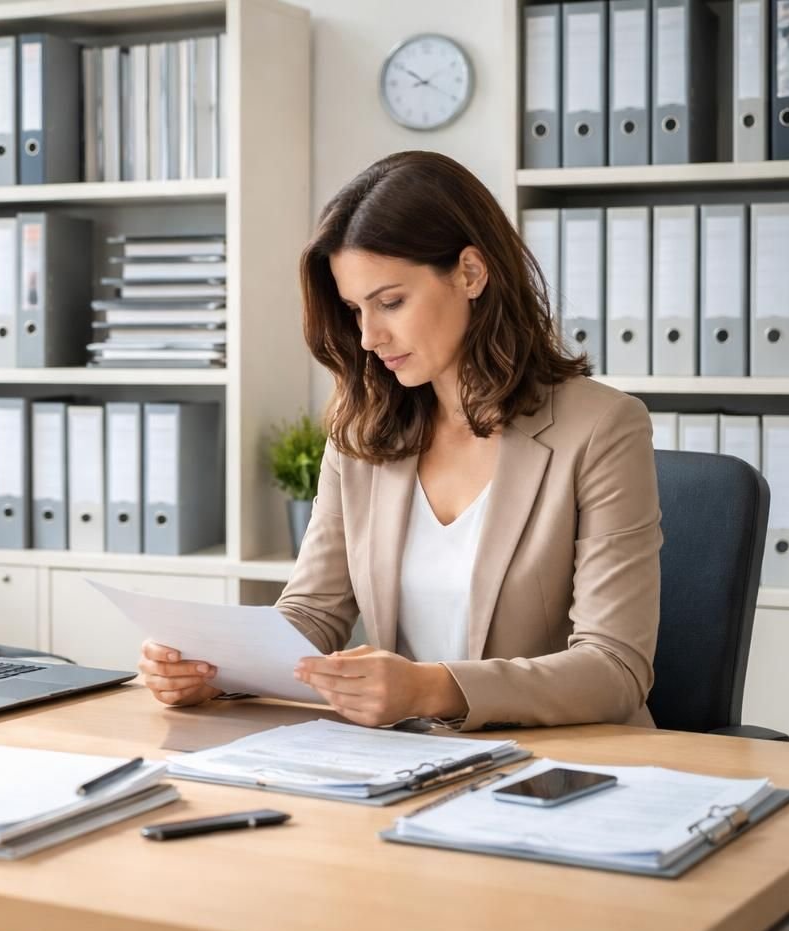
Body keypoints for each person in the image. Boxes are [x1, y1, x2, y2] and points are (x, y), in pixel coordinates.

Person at [136, 150, 662, 730]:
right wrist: (216, 671)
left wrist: (432, 688)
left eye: (390, 302)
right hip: (405, 762)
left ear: (470, 272)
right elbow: (313, 611)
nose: (368, 336)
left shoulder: (603, 427)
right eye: (355, 310)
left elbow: (615, 667)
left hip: (560, 768)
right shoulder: (360, 432)